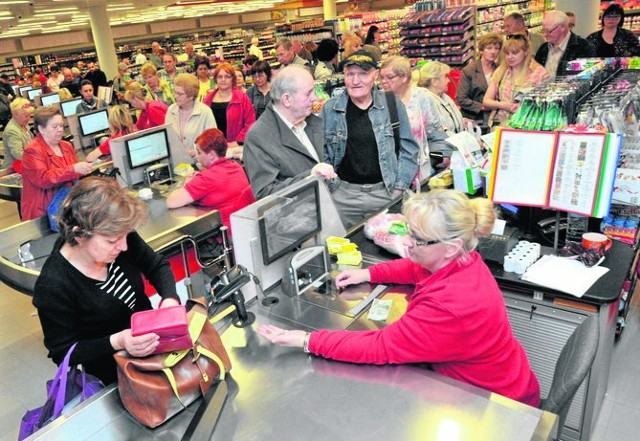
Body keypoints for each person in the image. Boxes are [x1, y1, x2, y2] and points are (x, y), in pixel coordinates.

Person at [258, 190, 541, 407]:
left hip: (496, 403)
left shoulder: (450, 305)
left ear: (452, 246)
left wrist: (306, 340)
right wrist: (368, 274)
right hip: (501, 378)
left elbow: (381, 346)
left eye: (417, 238)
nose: (407, 241)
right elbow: (417, 267)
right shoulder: (463, 258)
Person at [33, 177, 181, 385]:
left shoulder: (118, 234)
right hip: (114, 376)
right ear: (79, 236)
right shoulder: (54, 285)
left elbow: (157, 266)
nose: (123, 247)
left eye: (124, 237)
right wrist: (118, 341)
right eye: (112, 241)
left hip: (157, 353)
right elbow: (64, 353)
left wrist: (170, 299)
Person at [322, 50, 419, 228]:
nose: (356, 80)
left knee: (387, 247)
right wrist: (333, 189)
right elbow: (323, 153)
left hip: (385, 193)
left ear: (375, 75)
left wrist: (398, 188)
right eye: (350, 74)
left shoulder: (391, 103)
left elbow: (409, 149)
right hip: (343, 198)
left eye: (363, 74)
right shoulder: (330, 109)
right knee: (346, 250)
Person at [244, 65, 336, 200]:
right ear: (287, 99)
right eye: (308, 93)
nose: (315, 98)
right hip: (298, 216)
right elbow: (266, 193)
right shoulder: (259, 137)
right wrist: (310, 177)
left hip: (331, 204)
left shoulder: (313, 120)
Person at [167, 128, 254, 230]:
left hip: (218, 234)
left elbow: (171, 202)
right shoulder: (236, 167)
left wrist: (188, 183)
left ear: (211, 155)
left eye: (199, 153)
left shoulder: (206, 179)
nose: (197, 157)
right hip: (240, 228)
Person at [21, 106, 93, 220]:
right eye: (54, 127)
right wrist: (73, 169)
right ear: (41, 129)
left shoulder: (66, 146)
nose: (60, 129)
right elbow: (43, 179)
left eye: (61, 126)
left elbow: (74, 175)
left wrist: (83, 170)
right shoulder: (33, 150)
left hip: (67, 207)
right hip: (44, 212)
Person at [379, 56, 435, 182]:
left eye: (389, 77)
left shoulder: (422, 97)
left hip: (420, 166)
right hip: (389, 171)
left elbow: (434, 129)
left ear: (404, 77)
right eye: (381, 77)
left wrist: (442, 152)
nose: (383, 81)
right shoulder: (377, 101)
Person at [483, 35, 549, 127]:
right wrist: (503, 105)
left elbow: (547, 105)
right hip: (501, 126)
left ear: (526, 52)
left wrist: (525, 108)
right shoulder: (501, 71)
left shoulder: (539, 74)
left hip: (527, 126)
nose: (510, 57)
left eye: (514, 53)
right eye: (507, 53)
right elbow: (486, 101)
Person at [203, 63, 255, 160]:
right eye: (220, 76)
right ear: (215, 79)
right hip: (214, 151)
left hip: (236, 149)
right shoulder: (208, 100)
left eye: (227, 76)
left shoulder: (242, 98)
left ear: (232, 79)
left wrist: (237, 141)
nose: (223, 79)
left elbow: (250, 123)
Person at [418, 61, 466, 163]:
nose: (448, 81)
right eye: (445, 77)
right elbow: (438, 130)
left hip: (455, 151)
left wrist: (462, 121)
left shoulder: (445, 97)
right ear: (434, 81)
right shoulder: (426, 101)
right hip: (442, 156)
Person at [165, 73, 216, 166]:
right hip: (176, 166)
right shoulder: (171, 110)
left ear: (191, 96)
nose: (175, 96)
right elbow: (167, 140)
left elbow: (213, 142)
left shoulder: (205, 112)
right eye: (175, 92)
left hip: (199, 165)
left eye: (180, 94)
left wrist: (194, 152)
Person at [457, 32, 503, 123]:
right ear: (481, 51)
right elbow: (462, 99)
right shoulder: (469, 70)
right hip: (474, 118)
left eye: (496, 48)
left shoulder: (500, 69)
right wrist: (483, 106)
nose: (493, 51)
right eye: (489, 48)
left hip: (495, 117)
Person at [535, 10, 596, 78]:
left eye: (549, 31)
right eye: (543, 30)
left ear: (563, 27)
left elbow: (588, 77)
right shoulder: (544, 48)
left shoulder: (583, 47)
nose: (544, 34)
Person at [2, 97, 33, 169]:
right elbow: (19, 155)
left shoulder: (23, 124)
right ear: (15, 114)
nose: (29, 118)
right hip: (13, 169)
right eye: (26, 116)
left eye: (29, 115)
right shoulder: (12, 130)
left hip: (25, 164)